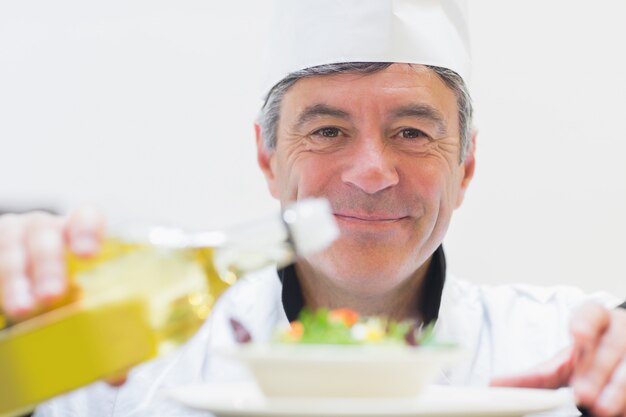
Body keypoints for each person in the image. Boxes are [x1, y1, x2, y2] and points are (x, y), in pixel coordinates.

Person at [1, 1, 626, 416]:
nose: (373, 174)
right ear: (268, 158)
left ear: (464, 166)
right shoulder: (135, 357)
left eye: (411, 132)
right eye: (328, 131)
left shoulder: (563, 351)